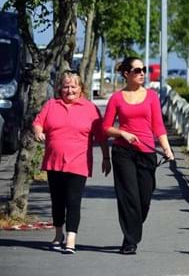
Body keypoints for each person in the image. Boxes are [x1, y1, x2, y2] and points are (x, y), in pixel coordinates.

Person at [32, 70, 110, 254]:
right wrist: (38, 132)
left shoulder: (90, 108)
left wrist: (106, 158)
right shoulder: (51, 105)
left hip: (78, 163)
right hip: (54, 162)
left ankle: (71, 239)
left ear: (81, 88)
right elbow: (38, 123)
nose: (69, 90)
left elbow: (101, 137)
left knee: (73, 201)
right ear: (60, 88)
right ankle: (58, 234)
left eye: (73, 86)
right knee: (57, 201)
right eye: (66, 86)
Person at [102, 57, 174, 255]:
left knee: (144, 198)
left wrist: (167, 148)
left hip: (147, 152)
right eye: (137, 70)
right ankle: (130, 240)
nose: (142, 73)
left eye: (144, 69)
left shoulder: (151, 96)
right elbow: (106, 127)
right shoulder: (116, 98)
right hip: (123, 152)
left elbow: (158, 126)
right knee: (129, 197)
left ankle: (131, 231)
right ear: (126, 74)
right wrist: (122, 133)